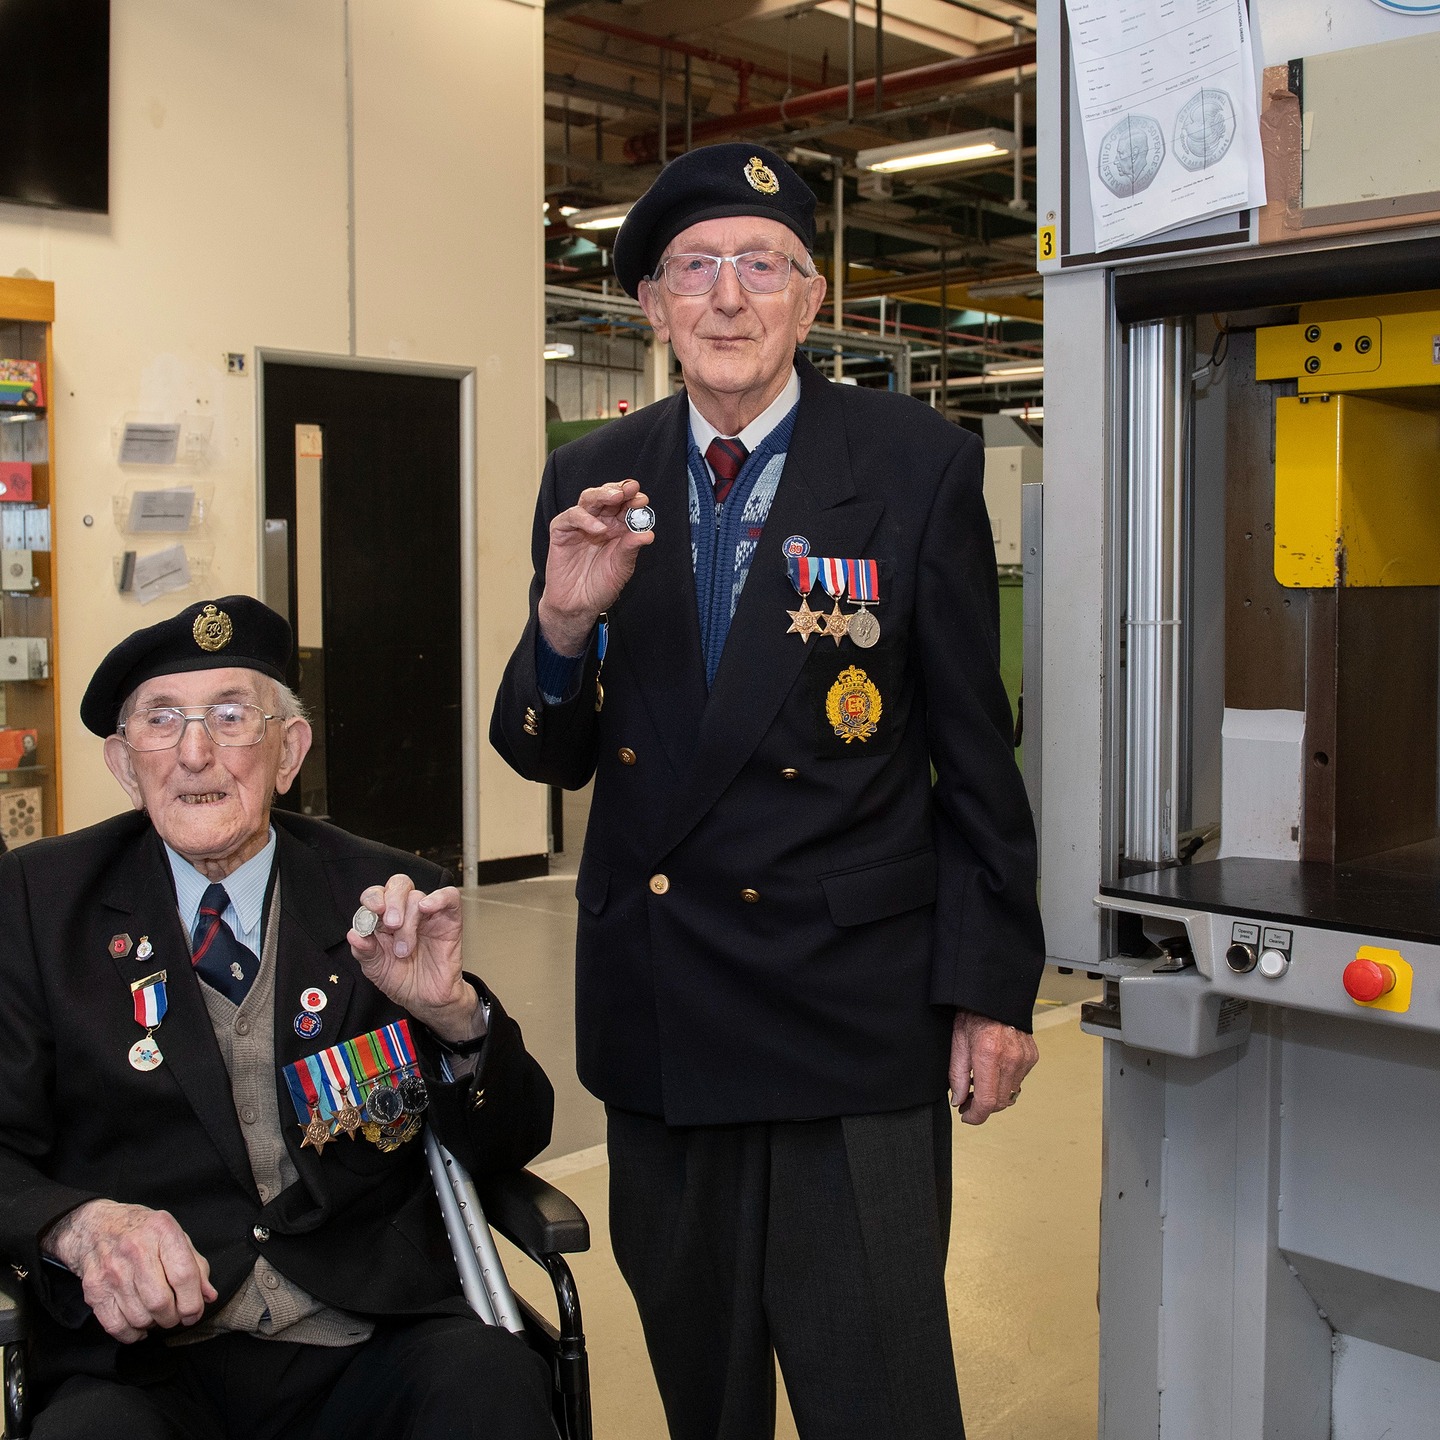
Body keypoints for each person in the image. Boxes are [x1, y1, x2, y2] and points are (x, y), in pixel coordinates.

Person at [491, 143, 1046, 1440]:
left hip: (849, 1017)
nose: (727, 296)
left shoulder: (913, 464)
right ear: (651, 309)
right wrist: (562, 629)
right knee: (707, 1396)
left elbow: (975, 753)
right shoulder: (593, 476)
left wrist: (990, 987)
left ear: (811, 298)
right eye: (695, 268)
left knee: (882, 1398)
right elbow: (543, 752)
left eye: (761, 265)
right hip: (664, 1010)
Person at [0, 596, 557, 1440]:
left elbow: (510, 1139)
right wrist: (78, 1226)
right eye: (163, 721)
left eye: (231, 717)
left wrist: (453, 1017)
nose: (196, 753)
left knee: (490, 1389)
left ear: (287, 750)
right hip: (147, 1360)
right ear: (123, 762)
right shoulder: (42, 904)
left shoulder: (380, 893)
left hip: (371, 1330)